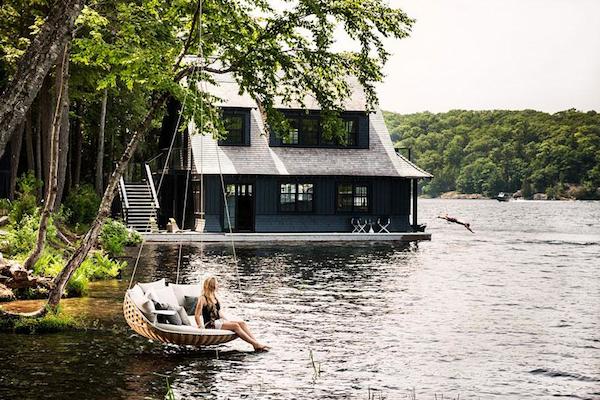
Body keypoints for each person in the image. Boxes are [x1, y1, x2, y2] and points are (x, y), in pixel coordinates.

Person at [195, 276, 269, 352]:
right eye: (217, 284)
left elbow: (219, 312)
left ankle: (256, 344)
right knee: (235, 326)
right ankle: (255, 344)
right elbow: (197, 315)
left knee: (242, 323)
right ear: (212, 286)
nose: (218, 285)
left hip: (219, 322)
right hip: (210, 324)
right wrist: (200, 326)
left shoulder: (214, 296)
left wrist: (227, 320)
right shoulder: (203, 298)